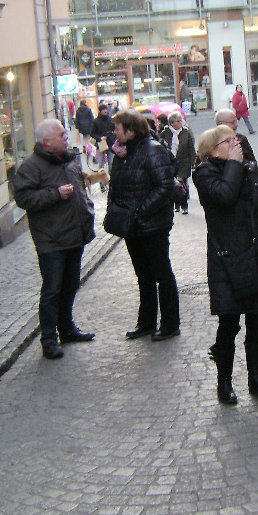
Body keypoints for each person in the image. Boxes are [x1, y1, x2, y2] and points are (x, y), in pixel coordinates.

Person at [193, 124, 258, 404]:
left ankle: (255, 378)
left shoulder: (250, 168)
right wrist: (234, 165)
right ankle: (224, 382)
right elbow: (224, 196)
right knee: (229, 323)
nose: (236, 144)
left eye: (236, 140)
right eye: (228, 141)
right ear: (212, 151)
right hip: (229, 260)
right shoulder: (204, 174)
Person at [13, 119, 96, 359]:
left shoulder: (68, 160)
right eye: (61, 134)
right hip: (51, 240)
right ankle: (49, 339)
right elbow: (23, 198)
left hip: (74, 236)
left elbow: (79, 188)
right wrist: (54, 195)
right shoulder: (31, 167)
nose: (66, 137)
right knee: (52, 290)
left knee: (70, 285)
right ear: (47, 142)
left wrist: (87, 209)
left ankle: (67, 329)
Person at [108, 108, 181, 341]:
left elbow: (164, 187)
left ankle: (170, 323)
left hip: (153, 224)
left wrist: (140, 211)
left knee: (161, 273)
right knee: (143, 275)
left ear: (130, 130)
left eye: (117, 128)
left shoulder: (153, 150)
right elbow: (116, 186)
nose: (114, 132)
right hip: (132, 225)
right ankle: (146, 322)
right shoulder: (123, 153)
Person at [160, 111, 196, 215]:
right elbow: (161, 146)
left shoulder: (186, 132)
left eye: (181, 121)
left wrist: (193, 162)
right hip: (170, 162)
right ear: (172, 123)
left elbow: (191, 148)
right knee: (173, 184)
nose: (180, 123)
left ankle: (184, 205)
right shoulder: (165, 133)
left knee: (182, 183)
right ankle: (177, 204)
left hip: (184, 162)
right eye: (178, 121)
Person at [91, 103, 114, 190]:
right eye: (104, 109)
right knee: (101, 165)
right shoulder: (96, 121)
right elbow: (92, 133)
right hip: (101, 144)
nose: (106, 111)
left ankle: (111, 183)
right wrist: (100, 138)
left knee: (111, 163)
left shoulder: (110, 119)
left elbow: (114, 129)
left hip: (110, 143)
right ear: (100, 111)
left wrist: (112, 137)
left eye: (106, 109)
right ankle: (102, 184)